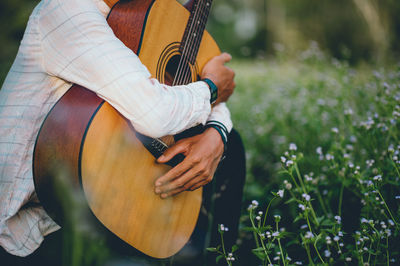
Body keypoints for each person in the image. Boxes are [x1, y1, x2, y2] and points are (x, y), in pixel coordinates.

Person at [0, 0, 246, 265]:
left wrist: (218, 131)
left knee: (231, 146)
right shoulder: (66, 9)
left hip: (101, 193)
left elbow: (189, 87)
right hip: (35, 224)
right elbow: (156, 112)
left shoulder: (148, 15)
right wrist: (211, 89)